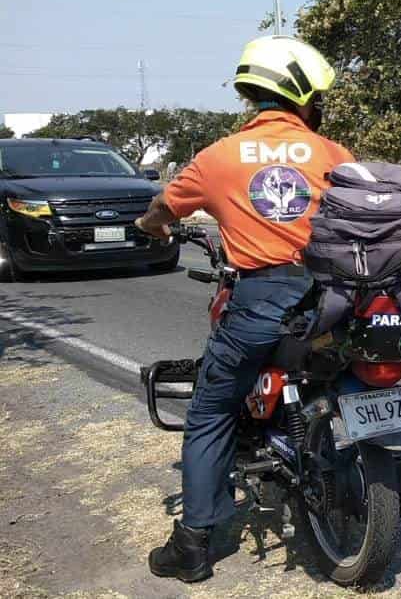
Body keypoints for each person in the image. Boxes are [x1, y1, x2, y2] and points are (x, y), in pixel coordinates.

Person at [135, 36, 354, 583]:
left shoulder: (217, 157)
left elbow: (163, 207)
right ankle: (394, 485)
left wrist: (152, 226)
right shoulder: (332, 152)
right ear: (301, 93)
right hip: (337, 298)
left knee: (210, 413)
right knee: (350, 376)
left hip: (262, 297)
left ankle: (193, 544)